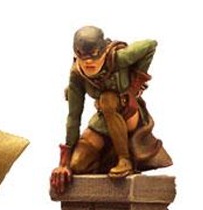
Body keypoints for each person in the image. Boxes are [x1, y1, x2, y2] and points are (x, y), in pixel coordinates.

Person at [50, 26, 171, 194]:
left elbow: (150, 45)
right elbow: (73, 116)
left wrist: (134, 87)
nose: (89, 62)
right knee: (77, 164)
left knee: (107, 99)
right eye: (83, 57)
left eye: (94, 55)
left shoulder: (118, 58)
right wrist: (64, 162)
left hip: (128, 113)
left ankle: (125, 160)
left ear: (103, 51)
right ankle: (104, 171)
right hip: (103, 118)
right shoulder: (77, 74)